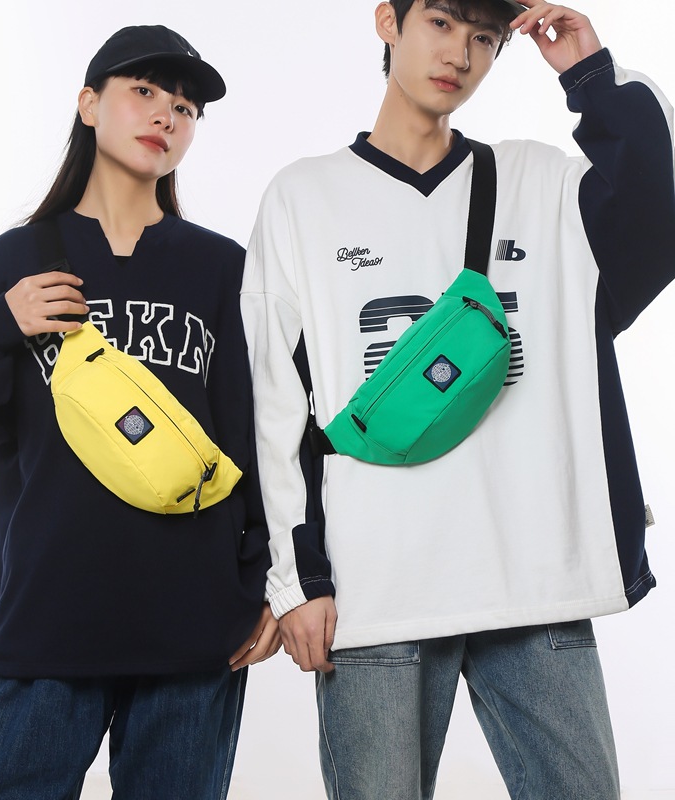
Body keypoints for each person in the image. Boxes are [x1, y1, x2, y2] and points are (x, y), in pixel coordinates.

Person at [241, 1, 675, 798]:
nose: (461, 55)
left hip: (535, 582)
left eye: (484, 37)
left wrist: (589, 75)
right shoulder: (303, 198)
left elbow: (659, 207)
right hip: (377, 590)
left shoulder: (541, 184)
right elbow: (277, 406)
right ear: (389, 22)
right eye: (441, 23)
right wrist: (298, 580)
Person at [0, 24, 279, 800]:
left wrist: (270, 581)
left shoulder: (223, 269)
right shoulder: (22, 257)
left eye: (186, 108)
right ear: (89, 104)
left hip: (194, 628)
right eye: (145, 92)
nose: (167, 115)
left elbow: (261, 434)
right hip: (47, 624)